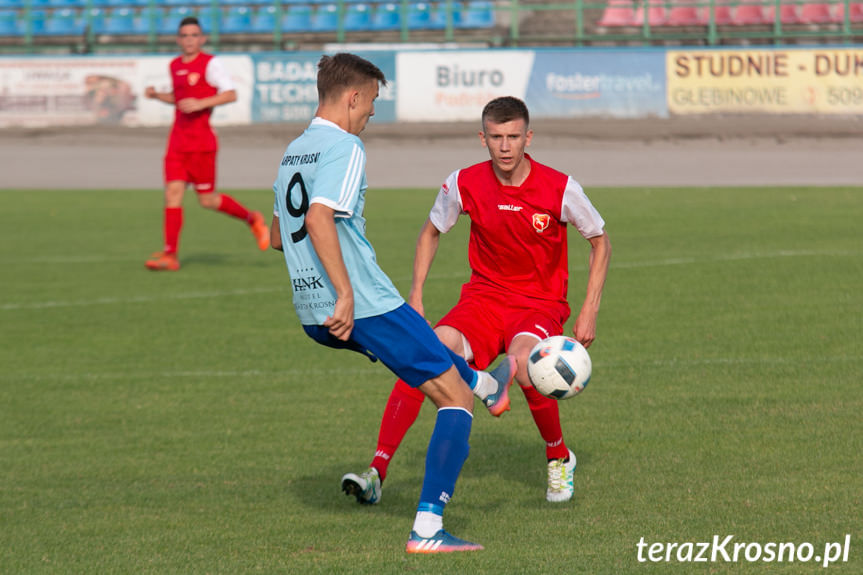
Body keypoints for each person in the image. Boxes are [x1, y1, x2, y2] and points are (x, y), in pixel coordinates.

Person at [269, 53, 515, 554]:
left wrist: (321, 291)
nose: (372, 114)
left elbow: (278, 236)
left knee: (425, 354)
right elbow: (318, 220)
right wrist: (343, 291)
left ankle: (487, 382)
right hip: (361, 303)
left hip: (313, 314)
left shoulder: (295, 150)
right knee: (453, 400)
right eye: (373, 102)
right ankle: (427, 529)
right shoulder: (346, 145)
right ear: (353, 96)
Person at [342, 96, 611, 505]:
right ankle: (376, 471)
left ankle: (558, 456)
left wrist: (590, 308)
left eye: (513, 137)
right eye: (496, 137)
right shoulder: (463, 183)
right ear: (482, 138)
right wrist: (415, 295)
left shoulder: (559, 187)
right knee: (424, 352)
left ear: (528, 137)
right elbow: (430, 232)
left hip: (538, 303)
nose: (505, 146)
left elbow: (599, 241)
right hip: (483, 299)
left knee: (524, 364)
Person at [144, 16, 268, 271]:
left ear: (202, 39)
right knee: (172, 194)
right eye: (184, 35)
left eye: (194, 35)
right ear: (178, 40)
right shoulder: (175, 65)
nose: (189, 39)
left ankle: (251, 218)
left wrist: (201, 103)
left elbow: (231, 93)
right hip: (177, 142)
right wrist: (158, 95)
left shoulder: (211, 64)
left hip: (202, 144)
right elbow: (179, 98)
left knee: (207, 200)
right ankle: (170, 255)